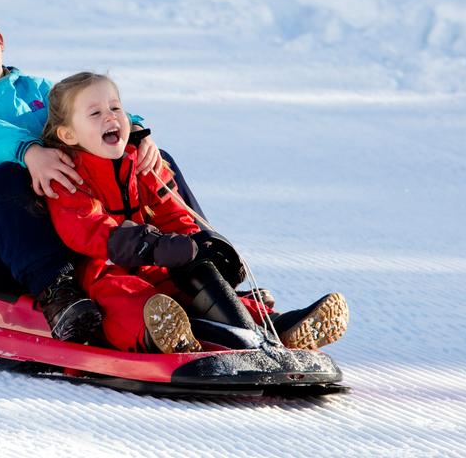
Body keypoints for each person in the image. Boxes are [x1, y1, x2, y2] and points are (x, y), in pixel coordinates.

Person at [41, 72, 350, 353]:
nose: (111, 117)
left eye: (116, 108)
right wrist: (151, 245)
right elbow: (87, 229)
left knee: (195, 281)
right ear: (69, 134)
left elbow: (172, 210)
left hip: (154, 264)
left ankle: (274, 327)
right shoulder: (68, 174)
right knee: (127, 300)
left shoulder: (141, 162)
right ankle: (161, 332)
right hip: (105, 268)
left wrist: (195, 244)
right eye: (96, 113)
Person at [0, 0, 158, 343]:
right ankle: (59, 294)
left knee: (150, 158)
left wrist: (133, 131)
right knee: (5, 177)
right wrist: (29, 150)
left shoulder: (40, 90)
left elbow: (88, 109)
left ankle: (201, 258)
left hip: (65, 225)